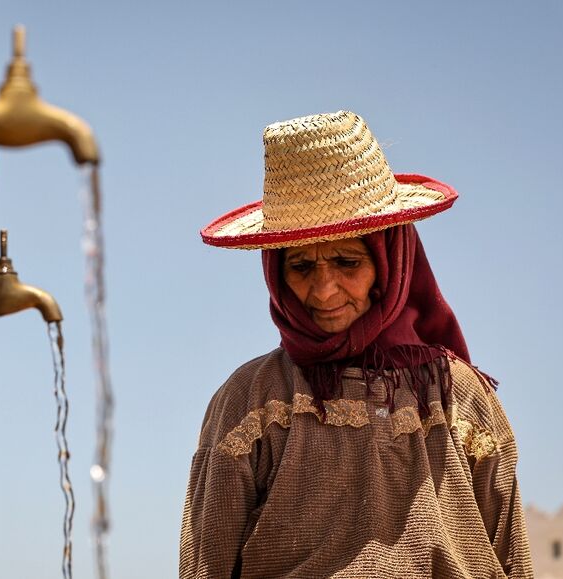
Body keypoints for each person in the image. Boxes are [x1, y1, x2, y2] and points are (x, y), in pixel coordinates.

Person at [180, 111, 533, 578]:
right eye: (302, 268)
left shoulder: (460, 397)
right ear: (276, 274)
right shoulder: (250, 399)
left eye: (348, 262)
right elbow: (206, 563)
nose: (324, 291)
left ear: (390, 260)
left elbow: (511, 559)